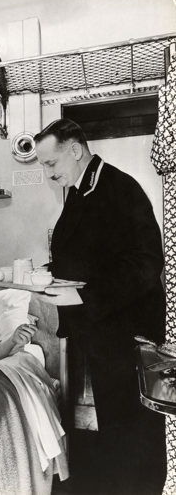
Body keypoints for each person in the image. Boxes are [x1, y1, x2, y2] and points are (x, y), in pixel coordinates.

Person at [34, 118, 166, 495]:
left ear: (75, 150)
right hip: (99, 331)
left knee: (136, 426)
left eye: (50, 163)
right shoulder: (79, 190)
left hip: (127, 331)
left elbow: (145, 263)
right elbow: (90, 256)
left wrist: (83, 296)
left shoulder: (119, 188)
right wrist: (49, 276)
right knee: (115, 421)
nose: (46, 172)